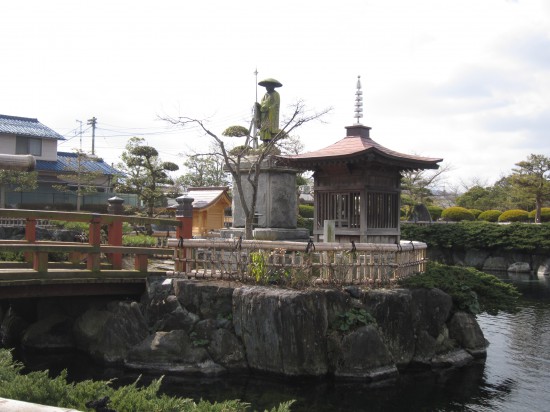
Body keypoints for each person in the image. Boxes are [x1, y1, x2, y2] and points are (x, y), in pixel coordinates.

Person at [257, 78, 282, 142]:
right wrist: (258, 106)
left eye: (268, 86)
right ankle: (264, 142)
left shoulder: (276, 94)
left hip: (270, 114)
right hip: (263, 115)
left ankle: (270, 142)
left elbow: (276, 104)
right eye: (266, 86)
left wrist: (268, 108)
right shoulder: (265, 95)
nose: (267, 88)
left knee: (268, 128)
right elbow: (262, 104)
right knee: (263, 129)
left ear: (272, 86)